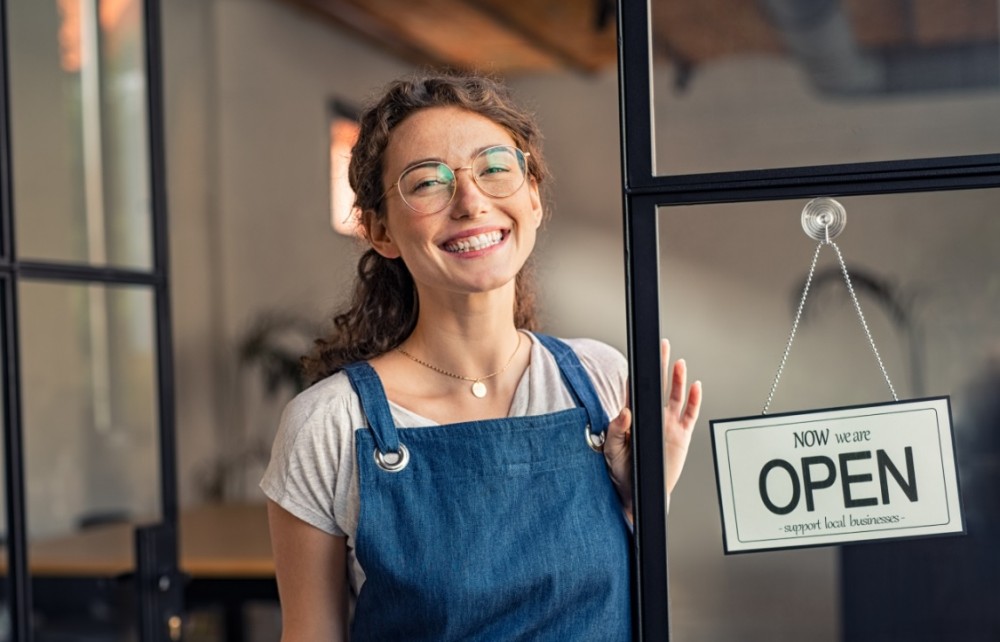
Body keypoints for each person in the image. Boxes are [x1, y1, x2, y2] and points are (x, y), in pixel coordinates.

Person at [261, 71, 703, 641]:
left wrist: (645, 501)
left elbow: (639, 610)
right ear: (378, 230)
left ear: (534, 198)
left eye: (495, 168)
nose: (471, 202)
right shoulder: (330, 425)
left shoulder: (601, 381)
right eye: (427, 183)